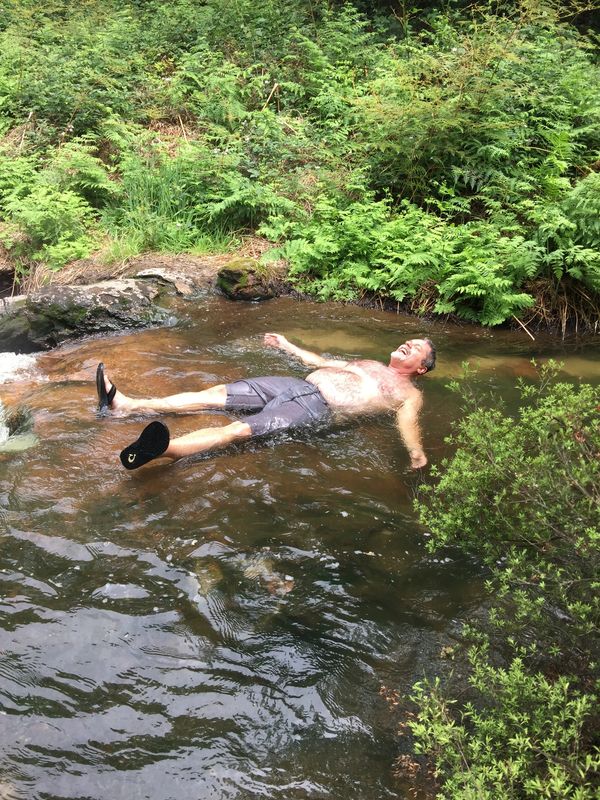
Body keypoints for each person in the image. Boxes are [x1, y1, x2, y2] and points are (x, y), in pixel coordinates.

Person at [96, 333, 436, 471]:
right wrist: (287, 345)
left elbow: (407, 422)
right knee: (215, 395)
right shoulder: (367, 363)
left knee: (239, 430)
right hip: (293, 385)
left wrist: (415, 451)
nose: (408, 344)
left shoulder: (409, 394)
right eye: (408, 340)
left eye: (416, 347)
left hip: (315, 408)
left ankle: (161, 449)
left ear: (421, 367)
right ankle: (127, 405)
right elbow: (316, 361)